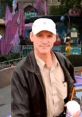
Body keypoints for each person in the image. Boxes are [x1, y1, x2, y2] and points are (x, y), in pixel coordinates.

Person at [11, 18, 81, 117]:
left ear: (55, 38)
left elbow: (71, 91)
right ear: (32, 37)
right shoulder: (21, 72)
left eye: (49, 36)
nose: (45, 41)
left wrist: (75, 103)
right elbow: (20, 113)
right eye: (40, 35)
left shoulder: (63, 62)